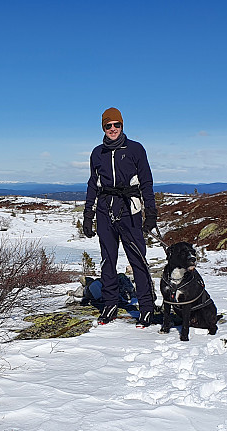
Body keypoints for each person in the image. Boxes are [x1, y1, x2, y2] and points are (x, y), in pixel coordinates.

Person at [83, 107, 158, 327]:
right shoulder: (97, 153)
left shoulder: (135, 149)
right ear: (103, 128)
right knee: (108, 260)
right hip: (106, 211)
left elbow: (146, 181)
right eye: (108, 125)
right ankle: (109, 305)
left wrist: (151, 211)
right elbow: (92, 185)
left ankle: (146, 307)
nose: (113, 129)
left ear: (122, 126)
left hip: (130, 210)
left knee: (137, 259)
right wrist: (88, 213)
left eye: (116, 125)